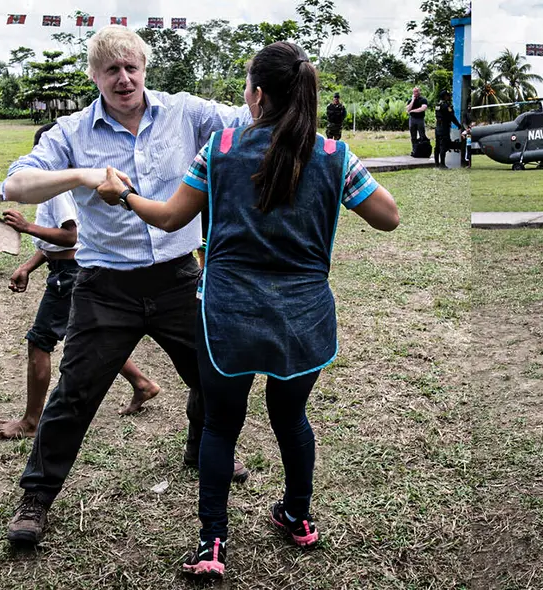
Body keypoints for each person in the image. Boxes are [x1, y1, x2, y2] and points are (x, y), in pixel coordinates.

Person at [94, 41, 399, 579]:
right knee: (291, 417)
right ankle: (298, 517)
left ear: (257, 96)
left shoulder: (220, 149)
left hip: (227, 317)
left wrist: (123, 196)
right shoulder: (334, 155)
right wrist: (339, 173)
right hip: (302, 320)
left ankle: (213, 543)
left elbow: (167, 219)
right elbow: (388, 217)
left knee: (220, 427)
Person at [1, 25, 251, 547]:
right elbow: (16, 184)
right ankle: (36, 500)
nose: (124, 78)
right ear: (94, 75)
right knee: (74, 395)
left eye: (131, 67)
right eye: (111, 69)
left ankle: (199, 448)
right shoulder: (71, 132)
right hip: (104, 284)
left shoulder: (184, 112)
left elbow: (250, 119)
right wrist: (82, 175)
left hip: (181, 276)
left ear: (144, 68)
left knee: (212, 377)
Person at [0, 124, 161, 440]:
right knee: (89, 338)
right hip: (68, 271)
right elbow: (60, 244)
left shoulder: (56, 190)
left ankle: (31, 422)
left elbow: (70, 236)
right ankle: (143, 384)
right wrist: (29, 265)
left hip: (69, 276)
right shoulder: (62, 186)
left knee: (40, 340)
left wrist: (28, 227)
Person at [433, 90, 465, 168]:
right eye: (448, 95)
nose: (449, 97)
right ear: (445, 96)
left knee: (437, 146)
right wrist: (458, 125)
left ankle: (437, 163)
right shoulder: (446, 106)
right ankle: (442, 164)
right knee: (443, 146)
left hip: (438, 128)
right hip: (444, 128)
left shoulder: (438, 105)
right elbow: (451, 117)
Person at [406, 86, 429, 156]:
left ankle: (423, 150)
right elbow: (407, 109)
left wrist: (413, 111)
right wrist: (413, 100)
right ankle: (414, 150)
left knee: (422, 135)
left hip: (420, 119)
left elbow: (423, 108)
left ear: (419, 92)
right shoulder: (410, 100)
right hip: (412, 119)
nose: (415, 93)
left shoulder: (423, 100)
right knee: (413, 136)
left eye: (416, 91)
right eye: (414, 92)